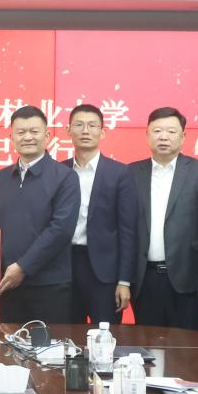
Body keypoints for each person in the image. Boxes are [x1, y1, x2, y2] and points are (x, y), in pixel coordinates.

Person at [128, 107, 198, 331]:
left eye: (171, 131)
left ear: (183, 136)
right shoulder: (131, 173)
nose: (163, 137)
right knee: (148, 343)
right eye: (157, 131)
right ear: (147, 135)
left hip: (190, 278)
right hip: (144, 278)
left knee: (189, 345)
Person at [0, 105, 79, 325]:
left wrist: (23, 267)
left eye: (34, 131)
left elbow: (60, 230)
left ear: (47, 136)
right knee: (10, 344)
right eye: (21, 132)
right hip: (9, 286)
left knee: (48, 346)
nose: (27, 137)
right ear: (11, 137)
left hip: (49, 286)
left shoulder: (65, 177)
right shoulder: (1, 178)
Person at [60, 104, 139, 324]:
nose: (85, 131)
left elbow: (127, 230)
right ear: (68, 131)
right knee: (65, 335)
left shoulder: (120, 173)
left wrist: (124, 281)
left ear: (102, 132)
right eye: (79, 125)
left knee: (106, 337)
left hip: (105, 273)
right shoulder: (58, 171)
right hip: (64, 267)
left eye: (92, 125)